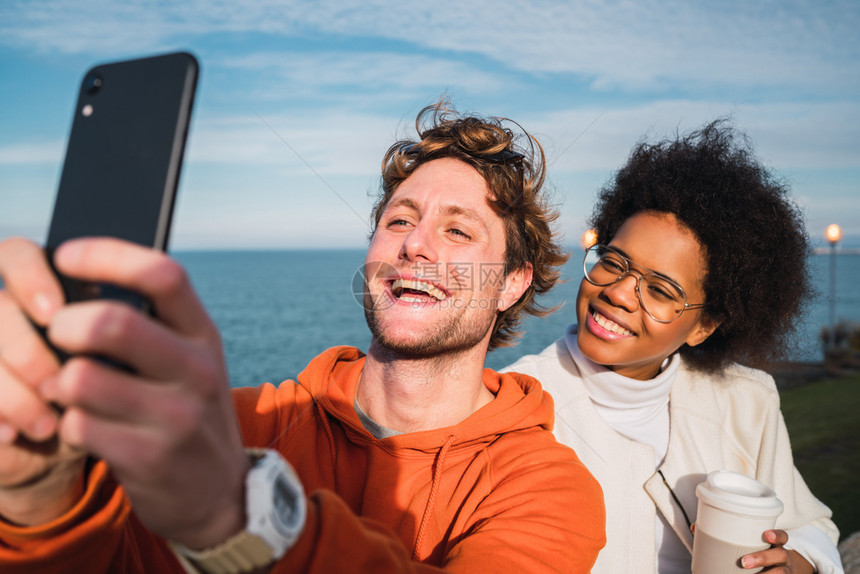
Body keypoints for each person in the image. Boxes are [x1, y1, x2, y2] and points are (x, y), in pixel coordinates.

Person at [0, 103, 605, 573]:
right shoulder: (234, 428)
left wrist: (238, 515)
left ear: (511, 283)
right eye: (398, 220)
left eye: (458, 230)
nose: (415, 245)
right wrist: (38, 499)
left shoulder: (545, 487)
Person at [504, 120, 843, 574]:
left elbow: (809, 525)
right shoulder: (516, 405)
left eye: (661, 291)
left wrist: (796, 563)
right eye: (614, 262)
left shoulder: (748, 402)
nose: (619, 293)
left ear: (704, 325)